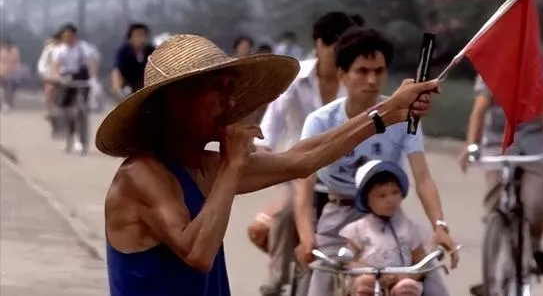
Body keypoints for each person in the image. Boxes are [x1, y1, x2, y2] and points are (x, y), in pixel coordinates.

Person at [98, 33, 440, 296]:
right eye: (217, 90)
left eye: (230, 90)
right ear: (176, 102)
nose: (230, 103)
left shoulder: (205, 166)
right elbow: (197, 252)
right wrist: (233, 165)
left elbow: (301, 159)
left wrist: (387, 113)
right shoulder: (141, 175)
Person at [296, 28, 457, 296]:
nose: (372, 80)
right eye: (362, 71)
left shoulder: (405, 118)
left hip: (389, 215)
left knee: (432, 284)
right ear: (341, 74)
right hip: (337, 221)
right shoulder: (320, 121)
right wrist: (305, 234)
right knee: (319, 284)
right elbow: (304, 185)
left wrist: (439, 226)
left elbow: (423, 178)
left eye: (379, 71)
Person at [249, 11, 365, 296]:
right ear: (318, 44)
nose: (338, 51)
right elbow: (271, 126)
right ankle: (277, 277)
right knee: (287, 211)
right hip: (295, 168)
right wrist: (264, 156)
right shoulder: (295, 77)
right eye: (333, 43)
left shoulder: (356, 80)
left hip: (342, 172)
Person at [460, 63, 543, 296]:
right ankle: (490, 277)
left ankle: (534, 245)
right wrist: (471, 145)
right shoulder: (492, 68)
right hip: (498, 142)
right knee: (495, 200)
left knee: (535, 203)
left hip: (535, 143)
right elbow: (480, 107)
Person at [342, 160, 429, 296]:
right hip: (371, 280)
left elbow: (421, 260)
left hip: (400, 281)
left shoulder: (409, 228)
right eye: (382, 196)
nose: (390, 200)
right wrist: (371, 272)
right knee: (364, 284)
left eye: (395, 192)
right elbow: (349, 261)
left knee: (408, 287)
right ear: (367, 200)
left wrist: (408, 275)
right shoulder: (358, 229)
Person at [50, 23, 99, 153]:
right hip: (66, 79)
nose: (68, 39)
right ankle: (69, 137)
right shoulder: (59, 50)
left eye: (70, 36)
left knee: (81, 110)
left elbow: (90, 63)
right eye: (66, 36)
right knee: (67, 112)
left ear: (75, 36)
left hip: (82, 79)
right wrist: (58, 77)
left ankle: (82, 141)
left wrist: (93, 78)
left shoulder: (83, 48)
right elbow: (56, 66)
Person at [111, 23, 155, 98]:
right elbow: (117, 71)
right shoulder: (124, 52)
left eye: (142, 35)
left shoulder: (152, 51)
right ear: (130, 38)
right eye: (137, 36)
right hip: (129, 88)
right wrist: (117, 90)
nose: (140, 39)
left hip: (148, 86)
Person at [38, 32, 63, 117]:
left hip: (63, 73)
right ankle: (48, 109)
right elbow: (43, 62)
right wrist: (44, 72)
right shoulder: (48, 49)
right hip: (50, 73)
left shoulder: (65, 49)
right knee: (49, 89)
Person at [0, 37, 21, 110]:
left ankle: (9, 102)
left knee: (11, 89)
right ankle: (3, 103)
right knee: (2, 88)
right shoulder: (1, 50)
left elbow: (17, 61)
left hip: (12, 72)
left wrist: (17, 71)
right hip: (1, 71)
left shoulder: (15, 51)